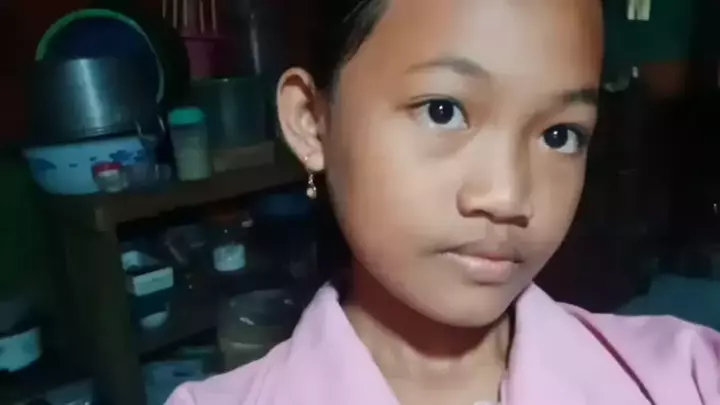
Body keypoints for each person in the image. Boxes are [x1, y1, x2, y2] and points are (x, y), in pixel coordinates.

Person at [167, 0, 720, 404]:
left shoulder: (690, 376)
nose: (508, 197)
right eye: (443, 111)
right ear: (312, 122)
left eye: (560, 135)